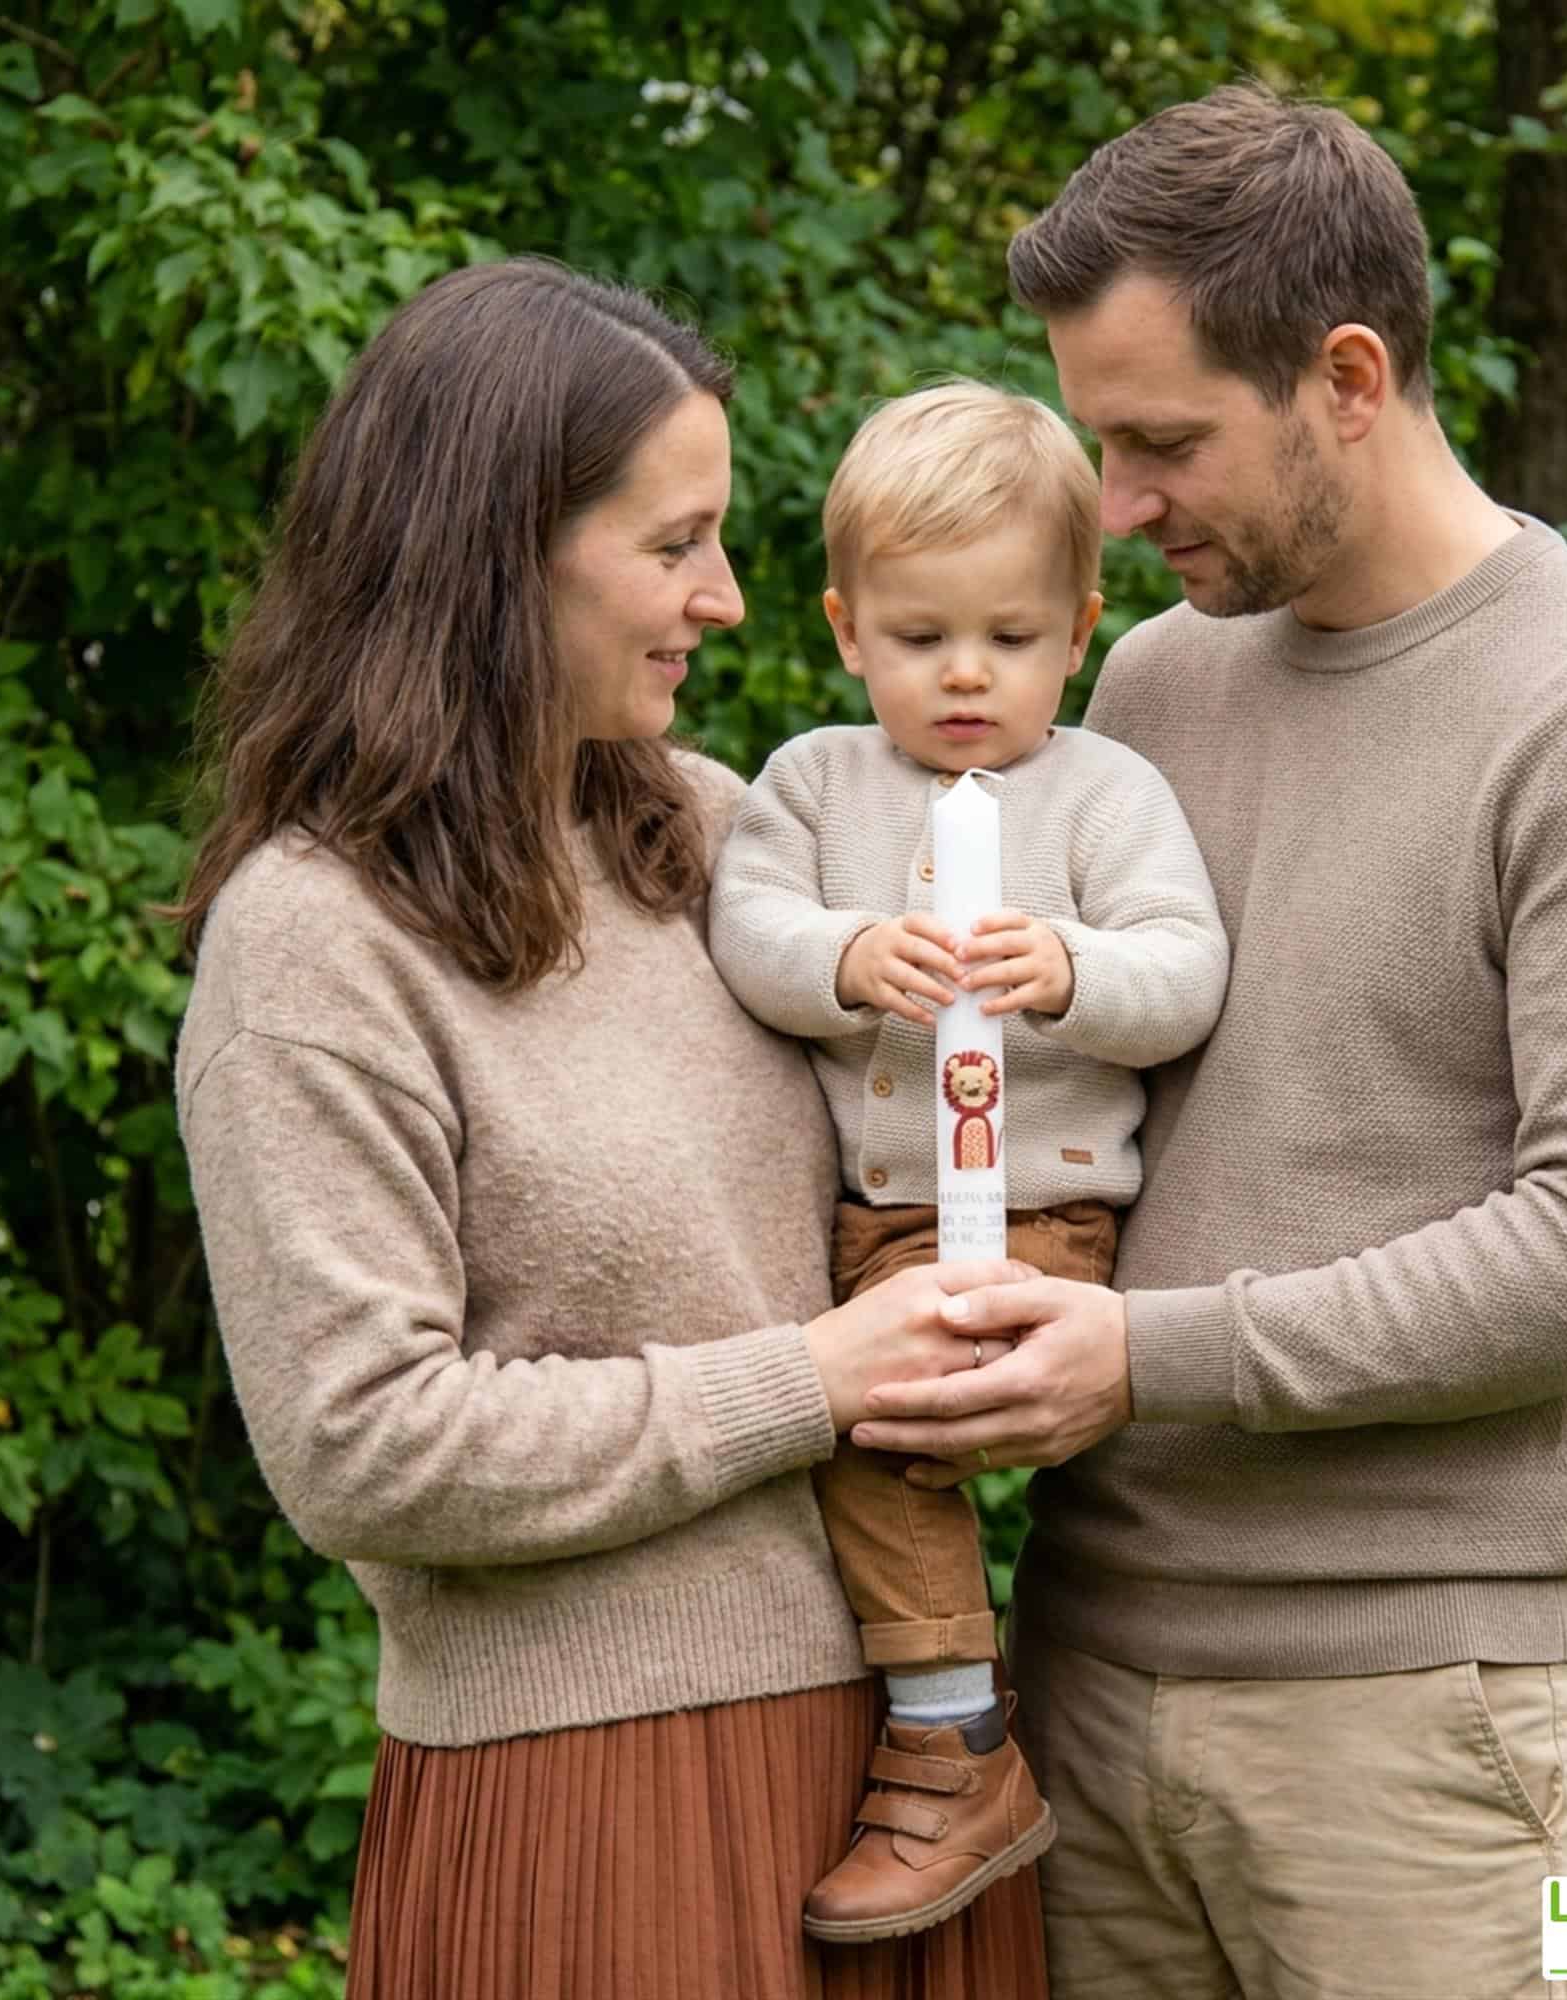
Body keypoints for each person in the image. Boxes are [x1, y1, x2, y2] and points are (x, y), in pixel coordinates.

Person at [849, 85, 1567, 2000]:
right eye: (1101, 438)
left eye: (1162, 440)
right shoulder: (1154, 677)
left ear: (1347, 376)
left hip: (1427, 1738)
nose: (1112, 507)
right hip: (1087, 1686)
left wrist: (1146, 1353)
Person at [170, 258, 1051, 1999]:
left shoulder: (725, 842)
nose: (726, 600)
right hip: (592, 1803)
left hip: (913, 1773)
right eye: (674, 545)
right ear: (495, 552)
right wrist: (815, 1378)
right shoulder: (313, 942)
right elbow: (361, 1442)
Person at [708, 381, 1229, 1943]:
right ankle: (955, 1725)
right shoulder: (811, 784)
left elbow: (1187, 969)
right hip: (877, 1216)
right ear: (847, 626)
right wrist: (849, 954)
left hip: (1050, 1206)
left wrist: (1069, 969)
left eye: (1008, 639)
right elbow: (748, 934)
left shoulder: (1104, 793)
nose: (963, 675)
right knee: (861, 1428)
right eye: (920, 635)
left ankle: (949, 1727)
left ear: (1079, 632)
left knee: (917, 1407)